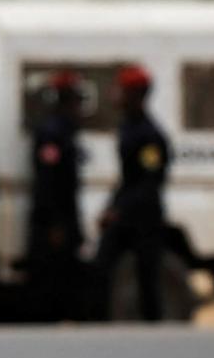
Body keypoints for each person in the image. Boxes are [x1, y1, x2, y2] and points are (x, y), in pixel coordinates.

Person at [91, 63, 174, 321]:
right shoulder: (128, 127)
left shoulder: (150, 135)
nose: (117, 95)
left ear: (137, 94)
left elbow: (149, 183)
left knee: (148, 277)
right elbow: (126, 178)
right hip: (125, 213)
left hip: (144, 217)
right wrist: (110, 207)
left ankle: (153, 330)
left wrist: (119, 210)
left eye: (123, 90)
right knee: (101, 269)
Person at [23, 69, 87, 321]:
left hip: (64, 216)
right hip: (52, 220)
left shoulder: (67, 130)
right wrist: (55, 223)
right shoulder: (53, 132)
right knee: (49, 277)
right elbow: (48, 182)